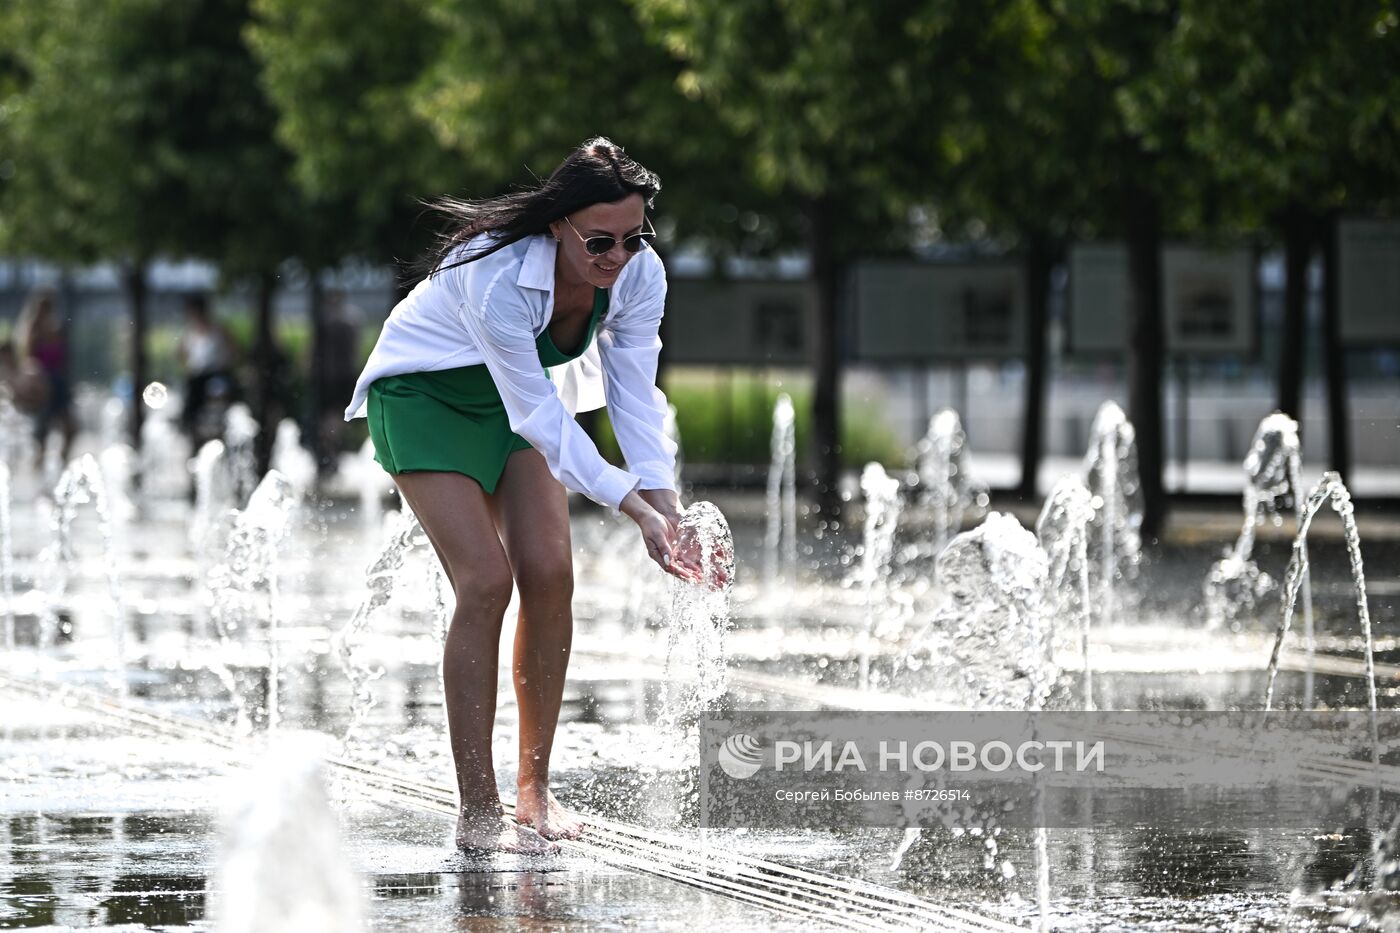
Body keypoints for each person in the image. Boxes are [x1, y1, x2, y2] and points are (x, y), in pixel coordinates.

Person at [345, 137, 700, 854]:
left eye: (634, 238)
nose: (616, 256)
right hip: (427, 398)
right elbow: (539, 415)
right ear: (555, 227)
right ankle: (477, 807)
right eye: (599, 240)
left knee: (551, 573)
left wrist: (668, 508)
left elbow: (635, 396)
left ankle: (534, 789)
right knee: (485, 581)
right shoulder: (496, 274)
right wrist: (629, 505)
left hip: (519, 405)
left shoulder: (638, 274)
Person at [14, 289, 75, 469]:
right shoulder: (32, 330)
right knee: (42, 432)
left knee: (70, 428)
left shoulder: (58, 329)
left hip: (59, 384)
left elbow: (65, 360)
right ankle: (38, 475)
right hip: (42, 385)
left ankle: (62, 464)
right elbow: (28, 360)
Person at [177, 293, 240, 445]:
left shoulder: (219, 330)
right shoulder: (190, 333)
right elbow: (180, 354)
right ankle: (189, 427)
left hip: (218, 374)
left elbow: (235, 351)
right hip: (198, 377)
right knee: (190, 400)